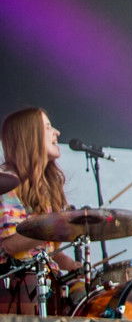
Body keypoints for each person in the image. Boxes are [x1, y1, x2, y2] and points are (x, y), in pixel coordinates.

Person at [1, 107, 81, 314]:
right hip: (17, 291)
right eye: (47, 127)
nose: (57, 132)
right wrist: (59, 224)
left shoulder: (43, 189)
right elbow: (8, 247)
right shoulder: (6, 183)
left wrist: (72, 266)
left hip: (46, 285)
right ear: (30, 137)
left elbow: (46, 251)